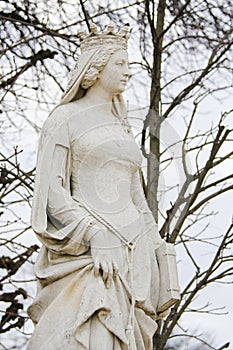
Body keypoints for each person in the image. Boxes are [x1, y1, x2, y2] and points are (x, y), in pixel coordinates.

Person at [27, 23, 167, 350]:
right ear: (96, 66)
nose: (128, 72)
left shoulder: (121, 129)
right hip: (88, 259)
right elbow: (52, 192)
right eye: (120, 63)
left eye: (129, 64)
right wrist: (94, 233)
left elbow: (137, 199)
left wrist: (157, 248)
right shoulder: (64, 119)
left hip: (135, 256)